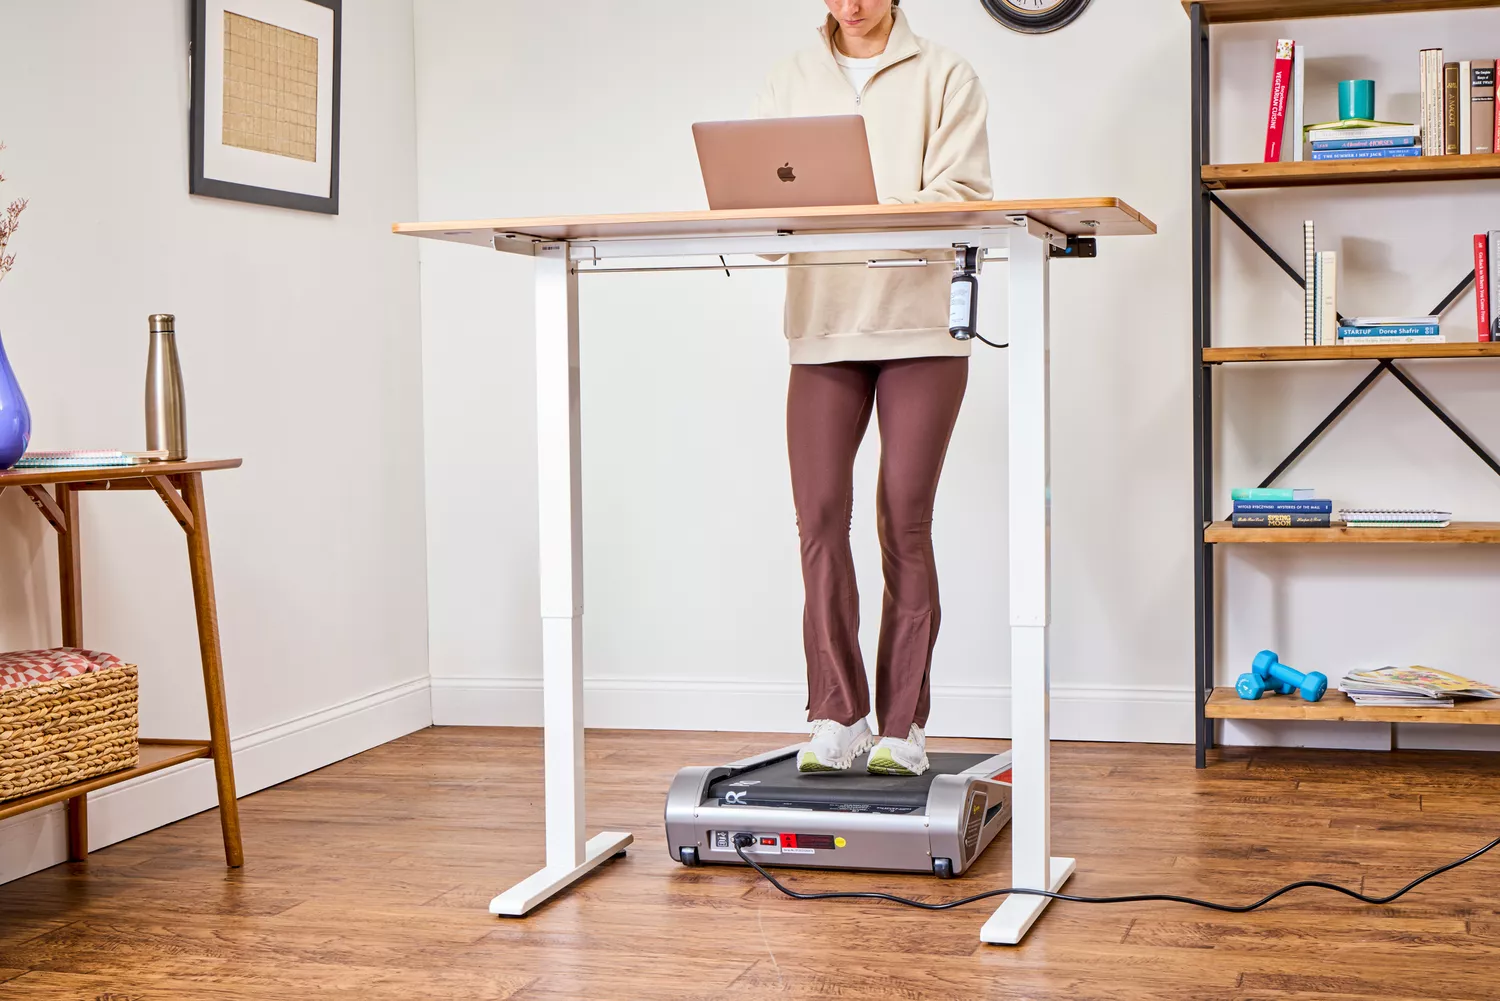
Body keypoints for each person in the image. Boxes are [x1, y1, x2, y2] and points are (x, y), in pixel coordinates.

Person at [753, 0, 993, 776]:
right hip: (823, 328)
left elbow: (962, 195)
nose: (848, 5)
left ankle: (902, 725)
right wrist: (767, 217)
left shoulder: (945, 74)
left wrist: (860, 210)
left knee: (904, 520)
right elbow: (762, 217)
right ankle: (837, 713)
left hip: (919, 327)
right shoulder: (790, 79)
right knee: (819, 516)